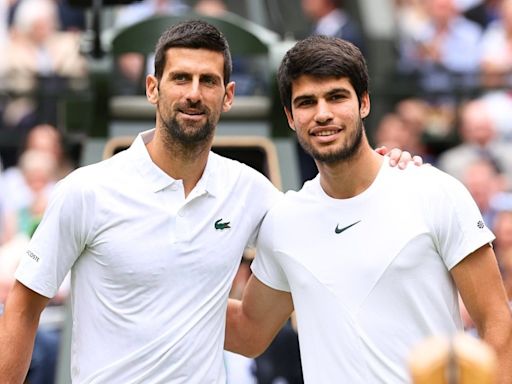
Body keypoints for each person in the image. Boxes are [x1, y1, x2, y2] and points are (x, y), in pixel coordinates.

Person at [0, 21, 418, 383]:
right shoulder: (86, 190)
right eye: (181, 78)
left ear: (228, 94)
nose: (194, 94)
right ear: (153, 88)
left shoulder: (250, 191)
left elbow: (325, 219)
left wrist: (383, 169)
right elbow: (22, 309)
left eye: (209, 81)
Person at [225, 35, 512, 383]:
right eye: (306, 102)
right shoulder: (284, 221)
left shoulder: (434, 191)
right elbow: (247, 333)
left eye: (336, 97)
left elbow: (498, 326)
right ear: (290, 116)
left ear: (364, 103)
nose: (323, 114)